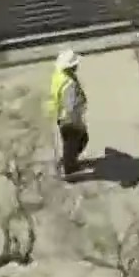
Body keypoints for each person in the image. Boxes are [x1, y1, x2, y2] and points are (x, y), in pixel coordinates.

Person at [46, 49, 88, 179]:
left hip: (60, 116)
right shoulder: (69, 84)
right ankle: (70, 169)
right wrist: (80, 105)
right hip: (70, 119)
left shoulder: (59, 76)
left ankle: (67, 160)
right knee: (78, 140)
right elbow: (70, 104)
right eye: (75, 64)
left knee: (71, 142)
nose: (77, 66)